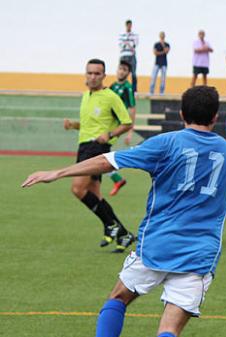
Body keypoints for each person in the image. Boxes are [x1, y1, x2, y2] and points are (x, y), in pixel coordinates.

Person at [22, 85, 226, 337]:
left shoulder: (166, 143)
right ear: (217, 117)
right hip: (199, 257)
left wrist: (59, 172)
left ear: (182, 115)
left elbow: (108, 159)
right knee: (169, 329)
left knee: (118, 298)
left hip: (155, 246)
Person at [61, 59, 134, 252]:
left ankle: (111, 225)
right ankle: (124, 234)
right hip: (83, 146)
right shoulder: (85, 96)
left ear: (103, 76)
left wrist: (109, 134)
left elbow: (127, 122)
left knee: (77, 188)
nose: (93, 77)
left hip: (97, 148)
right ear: (86, 74)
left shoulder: (110, 96)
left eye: (97, 73)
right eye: (90, 73)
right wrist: (73, 126)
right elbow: (87, 125)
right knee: (94, 194)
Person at [108, 61, 136, 196]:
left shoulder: (128, 88)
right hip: (106, 123)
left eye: (125, 70)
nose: (121, 71)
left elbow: (132, 109)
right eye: (120, 69)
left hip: (116, 126)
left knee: (98, 152)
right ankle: (116, 179)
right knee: (97, 152)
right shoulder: (112, 86)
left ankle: (116, 179)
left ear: (128, 73)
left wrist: (130, 132)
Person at [118, 19, 139, 91]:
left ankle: (134, 90)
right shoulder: (121, 35)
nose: (129, 27)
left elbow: (135, 45)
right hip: (123, 55)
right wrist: (129, 44)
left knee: (133, 73)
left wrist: (127, 43)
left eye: (130, 25)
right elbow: (121, 45)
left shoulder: (135, 35)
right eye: (128, 25)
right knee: (122, 73)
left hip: (132, 56)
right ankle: (122, 88)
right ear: (126, 26)